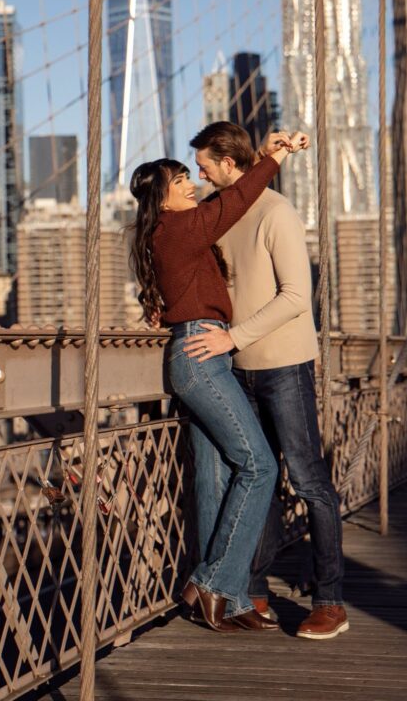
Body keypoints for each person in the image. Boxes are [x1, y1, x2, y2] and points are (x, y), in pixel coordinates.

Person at [128, 131, 306, 634]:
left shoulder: (169, 233)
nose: (190, 183)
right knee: (260, 467)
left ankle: (220, 600)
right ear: (160, 197)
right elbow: (235, 200)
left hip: (198, 353)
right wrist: (271, 158)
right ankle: (213, 582)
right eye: (180, 180)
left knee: (215, 478)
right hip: (201, 356)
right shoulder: (179, 227)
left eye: (190, 176)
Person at [183, 121, 348, 641]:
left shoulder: (277, 213)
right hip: (236, 371)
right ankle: (250, 588)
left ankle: (329, 602)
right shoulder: (218, 215)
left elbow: (298, 296)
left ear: (229, 165)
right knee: (255, 480)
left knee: (309, 483)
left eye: (205, 166)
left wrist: (231, 338)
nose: (198, 174)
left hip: (283, 365)